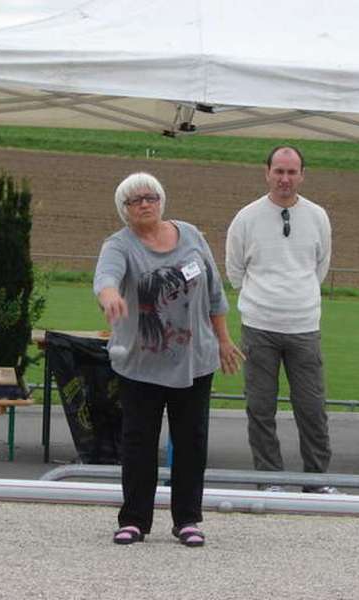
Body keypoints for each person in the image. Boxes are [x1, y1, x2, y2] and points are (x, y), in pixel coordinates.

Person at [94, 172, 242, 547]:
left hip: (195, 359)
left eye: (151, 197)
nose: (145, 203)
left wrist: (223, 340)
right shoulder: (119, 245)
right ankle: (134, 520)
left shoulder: (191, 235)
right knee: (139, 442)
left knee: (191, 441)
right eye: (135, 200)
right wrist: (110, 296)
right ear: (124, 210)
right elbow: (106, 277)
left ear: (161, 201)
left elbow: (213, 292)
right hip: (142, 364)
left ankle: (188, 520)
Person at [225, 145, 334, 493]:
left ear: (302, 174)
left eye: (292, 172)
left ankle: (316, 481)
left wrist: (296, 299)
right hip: (259, 327)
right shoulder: (246, 217)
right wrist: (264, 300)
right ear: (267, 172)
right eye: (279, 171)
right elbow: (235, 271)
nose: (285, 179)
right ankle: (270, 479)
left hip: (304, 327)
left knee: (312, 408)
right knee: (260, 407)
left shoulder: (318, 216)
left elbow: (320, 265)